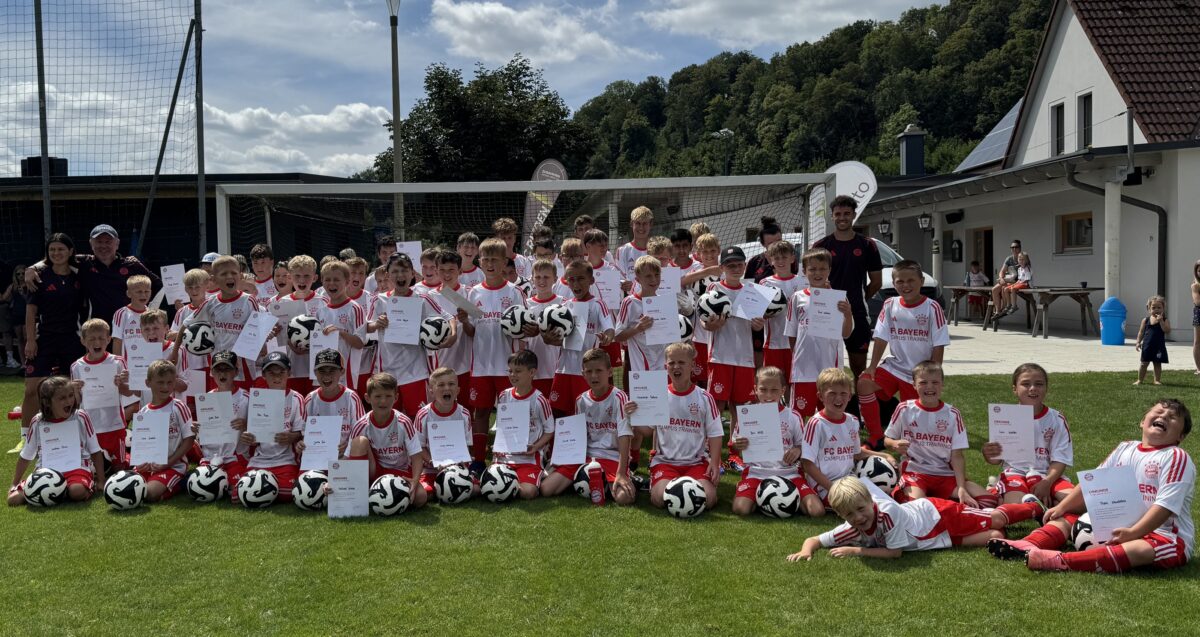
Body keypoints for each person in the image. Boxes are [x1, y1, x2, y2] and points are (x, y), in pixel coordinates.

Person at [988, 399, 1194, 574]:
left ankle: (1062, 560)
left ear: (1180, 437)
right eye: (1159, 411)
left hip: (1164, 535)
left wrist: (1134, 532)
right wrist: (1063, 507)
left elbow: (1164, 506)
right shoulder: (1125, 448)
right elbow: (1094, 482)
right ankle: (1030, 543)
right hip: (1121, 522)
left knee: (1138, 550)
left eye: (1173, 417)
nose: (1164, 416)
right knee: (1069, 517)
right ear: (1142, 421)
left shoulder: (1175, 456)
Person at [785, 476, 1021, 561]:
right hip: (937, 539)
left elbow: (895, 553)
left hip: (938, 515)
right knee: (995, 536)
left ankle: (1034, 508)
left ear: (871, 501)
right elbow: (814, 538)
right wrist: (806, 551)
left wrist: (857, 552)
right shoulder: (850, 528)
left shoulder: (887, 513)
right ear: (840, 515)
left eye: (860, 509)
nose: (857, 517)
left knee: (997, 520)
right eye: (849, 514)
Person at [857, 259, 949, 448]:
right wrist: (873, 366)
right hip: (895, 366)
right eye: (900, 281)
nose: (905, 286)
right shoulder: (890, 304)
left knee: (917, 422)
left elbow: (939, 345)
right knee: (864, 382)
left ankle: (912, 440)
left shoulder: (932, 308)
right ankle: (877, 437)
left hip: (919, 372)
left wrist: (934, 374)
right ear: (894, 282)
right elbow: (881, 337)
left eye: (911, 281)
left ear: (921, 281)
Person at [884, 361, 995, 507]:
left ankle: (989, 489)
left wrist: (961, 488)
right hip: (915, 472)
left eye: (935, 382)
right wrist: (894, 444)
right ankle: (926, 499)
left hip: (945, 474)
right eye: (923, 382)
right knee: (917, 506)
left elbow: (957, 456)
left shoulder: (952, 414)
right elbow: (887, 440)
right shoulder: (904, 409)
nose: (929, 387)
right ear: (914, 385)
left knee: (989, 501)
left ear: (942, 384)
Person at [629, 342, 723, 513]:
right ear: (666, 366)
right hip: (665, 463)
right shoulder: (659, 395)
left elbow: (716, 433)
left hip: (696, 462)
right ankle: (655, 482)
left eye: (681, 362)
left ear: (692, 365)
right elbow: (648, 431)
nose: (676, 366)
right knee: (659, 499)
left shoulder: (704, 398)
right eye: (671, 363)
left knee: (709, 499)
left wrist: (715, 464)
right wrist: (633, 416)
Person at [460, 237, 527, 475]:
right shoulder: (472, 293)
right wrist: (464, 321)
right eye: (485, 259)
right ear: (480, 261)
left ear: (504, 262)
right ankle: (479, 461)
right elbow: (471, 332)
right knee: (481, 412)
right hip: (480, 366)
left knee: (510, 412)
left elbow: (523, 328)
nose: (489, 263)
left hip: (507, 366)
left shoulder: (515, 292)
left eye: (494, 259)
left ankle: (508, 459)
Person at [17, 233, 87, 455]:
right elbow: (31, 311)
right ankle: (26, 438)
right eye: (52, 250)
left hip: (71, 339)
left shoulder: (79, 275)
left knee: (73, 389)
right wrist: (30, 341)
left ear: (70, 251)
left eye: (61, 249)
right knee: (31, 389)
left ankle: (72, 432)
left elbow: (91, 257)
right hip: (43, 339)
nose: (57, 253)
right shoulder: (39, 277)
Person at [540, 348, 636, 504]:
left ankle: (617, 479)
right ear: (583, 374)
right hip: (585, 457)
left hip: (611, 457)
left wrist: (621, 473)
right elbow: (579, 437)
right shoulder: (581, 400)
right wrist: (564, 457)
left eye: (599, 370)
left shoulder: (619, 397)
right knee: (546, 489)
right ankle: (587, 480)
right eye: (589, 371)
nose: (594, 376)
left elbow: (625, 436)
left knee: (625, 499)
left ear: (610, 372)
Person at [25, 224, 161, 328]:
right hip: (97, 331)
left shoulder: (132, 265)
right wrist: (32, 268)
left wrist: (147, 311)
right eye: (99, 241)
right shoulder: (84, 263)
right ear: (91, 243)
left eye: (108, 241)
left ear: (117, 243)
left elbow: (159, 286)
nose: (103, 246)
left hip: (130, 327)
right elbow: (58, 257)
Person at [730, 367, 824, 518]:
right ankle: (751, 492)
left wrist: (797, 450)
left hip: (790, 473)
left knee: (816, 511)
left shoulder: (793, 416)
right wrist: (739, 444)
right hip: (756, 472)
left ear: (782, 390)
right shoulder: (747, 415)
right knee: (741, 509)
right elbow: (735, 447)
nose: (768, 395)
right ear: (755, 389)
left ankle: (777, 498)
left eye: (774, 390)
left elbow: (803, 445)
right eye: (763, 389)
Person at [369, 253, 455, 417]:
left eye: (404, 271)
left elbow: (448, 317)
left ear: (412, 274)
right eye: (395, 271)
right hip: (387, 372)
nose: (400, 275)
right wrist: (376, 324)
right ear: (388, 275)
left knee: (419, 419)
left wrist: (452, 336)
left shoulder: (422, 298)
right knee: (390, 420)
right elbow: (365, 327)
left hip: (416, 371)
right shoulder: (379, 300)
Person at [981, 363, 1074, 506]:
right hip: (1015, 473)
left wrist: (1047, 482)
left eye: (1039, 384)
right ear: (1015, 389)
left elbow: (1060, 459)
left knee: (1077, 502)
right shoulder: (1005, 416)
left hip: (1048, 475)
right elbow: (996, 460)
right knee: (1015, 505)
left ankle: (1031, 501)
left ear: (1046, 388)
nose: (1032, 388)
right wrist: (989, 454)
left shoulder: (1056, 419)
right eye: (1025, 384)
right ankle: (1032, 503)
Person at [811, 196, 882, 380]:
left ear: (854, 215)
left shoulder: (867, 245)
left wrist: (857, 300)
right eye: (838, 214)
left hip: (857, 311)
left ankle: (859, 405)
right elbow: (811, 279)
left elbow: (876, 282)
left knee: (858, 365)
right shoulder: (821, 246)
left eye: (847, 214)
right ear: (832, 216)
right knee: (824, 364)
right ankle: (825, 405)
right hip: (825, 312)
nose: (842, 217)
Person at [800, 368, 894, 505]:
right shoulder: (816, 424)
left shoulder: (853, 421)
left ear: (850, 396)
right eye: (832, 393)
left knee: (885, 500)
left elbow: (857, 453)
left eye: (843, 393)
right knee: (864, 505)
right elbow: (807, 464)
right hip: (825, 486)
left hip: (849, 480)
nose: (838, 398)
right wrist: (833, 488)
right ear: (820, 396)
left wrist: (885, 456)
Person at [8, 376, 105, 506]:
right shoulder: (38, 421)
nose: (69, 401)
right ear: (48, 402)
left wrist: (102, 481)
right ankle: (57, 492)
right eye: (62, 398)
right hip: (45, 471)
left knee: (77, 492)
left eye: (71, 395)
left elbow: (95, 450)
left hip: (76, 469)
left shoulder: (80, 417)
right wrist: (14, 484)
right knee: (13, 500)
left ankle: (68, 489)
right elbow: (26, 455)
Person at [701, 246, 760, 462]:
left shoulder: (751, 291)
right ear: (722, 268)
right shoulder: (714, 288)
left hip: (744, 357)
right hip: (720, 356)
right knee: (717, 405)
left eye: (739, 264)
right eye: (730, 265)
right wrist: (712, 325)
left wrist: (758, 323)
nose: (735, 268)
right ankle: (710, 448)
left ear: (745, 266)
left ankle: (735, 451)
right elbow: (704, 323)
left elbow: (755, 326)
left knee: (742, 407)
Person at [345, 373, 428, 509]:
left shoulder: (404, 422)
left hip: (400, 471)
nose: (383, 401)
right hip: (375, 471)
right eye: (377, 396)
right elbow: (347, 457)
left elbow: (416, 456)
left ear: (396, 398)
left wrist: (415, 480)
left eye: (388, 396)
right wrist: (336, 482)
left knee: (420, 497)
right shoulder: (361, 424)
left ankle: (378, 497)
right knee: (359, 442)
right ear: (367, 398)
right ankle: (359, 492)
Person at [786, 248, 852, 419]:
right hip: (803, 369)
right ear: (804, 271)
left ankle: (829, 445)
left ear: (829, 270)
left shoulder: (838, 298)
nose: (817, 273)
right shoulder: (797, 297)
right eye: (812, 269)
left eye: (822, 269)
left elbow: (845, 333)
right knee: (799, 416)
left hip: (829, 367)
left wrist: (848, 314)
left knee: (831, 415)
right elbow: (792, 334)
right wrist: (799, 357)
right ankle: (799, 446)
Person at [546, 261, 614, 415]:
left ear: (591, 280)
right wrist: (548, 338)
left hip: (586, 371)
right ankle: (559, 440)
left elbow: (609, 328)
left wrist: (607, 337)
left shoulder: (598, 304)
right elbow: (557, 338)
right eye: (571, 279)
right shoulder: (563, 306)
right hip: (563, 369)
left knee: (584, 414)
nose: (576, 283)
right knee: (558, 413)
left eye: (581, 278)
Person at [493, 350, 555, 500]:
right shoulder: (503, 396)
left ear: (532, 372)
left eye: (518, 371)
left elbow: (550, 430)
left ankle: (540, 474)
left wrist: (536, 446)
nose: (513, 375)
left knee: (528, 493)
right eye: (510, 371)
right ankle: (508, 482)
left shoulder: (539, 400)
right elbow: (502, 427)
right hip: (504, 459)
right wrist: (497, 446)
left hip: (529, 460)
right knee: (491, 489)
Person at [246, 352, 305, 503]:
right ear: (264, 375)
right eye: (271, 373)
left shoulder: (296, 398)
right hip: (260, 459)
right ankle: (267, 486)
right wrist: (250, 438)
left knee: (287, 495)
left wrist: (291, 437)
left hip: (286, 459)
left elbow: (301, 433)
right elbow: (254, 439)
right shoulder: (257, 399)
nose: (277, 377)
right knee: (239, 495)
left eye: (281, 372)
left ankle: (269, 487)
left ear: (289, 373)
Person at [133, 359, 195, 503]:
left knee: (149, 493)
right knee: (129, 488)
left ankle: (182, 482)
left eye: (169, 382)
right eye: (160, 382)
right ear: (148, 383)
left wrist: (168, 463)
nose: (165, 387)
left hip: (174, 465)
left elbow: (190, 439)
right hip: (149, 467)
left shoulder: (178, 407)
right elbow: (140, 446)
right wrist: (141, 464)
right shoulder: (143, 412)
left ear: (174, 382)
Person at [413, 367, 479, 498]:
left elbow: (467, 445)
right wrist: (433, 462)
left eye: (451, 384)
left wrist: (463, 459)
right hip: (430, 469)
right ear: (431, 391)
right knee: (428, 494)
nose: (446, 388)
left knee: (476, 490)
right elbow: (419, 448)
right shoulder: (423, 415)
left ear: (458, 390)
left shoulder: (464, 414)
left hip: (457, 467)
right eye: (441, 385)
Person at [196, 351, 251, 500]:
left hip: (235, 457)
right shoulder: (206, 398)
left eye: (227, 369)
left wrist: (246, 425)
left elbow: (258, 430)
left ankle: (228, 482)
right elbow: (203, 433)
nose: (222, 373)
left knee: (238, 494)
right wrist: (196, 428)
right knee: (198, 490)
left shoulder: (246, 398)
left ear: (236, 372)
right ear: (212, 372)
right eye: (218, 369)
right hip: (210, 457)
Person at [313, 260, 366, 389]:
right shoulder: (320, 311)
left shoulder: (355, 308)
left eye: (336, 279)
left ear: (347, 282)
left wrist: (340, 332)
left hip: (346, 375)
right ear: (322, 282)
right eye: (328, 280)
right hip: (324, 376)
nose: (332, 283)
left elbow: (359, 343)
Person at [760, 240, 806, 385]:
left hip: (797, 344)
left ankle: (790, 408)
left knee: (793, 384)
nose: (781, 261)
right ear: (771, 260)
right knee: (772, 384)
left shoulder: (803, 282)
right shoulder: (764, 283)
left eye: (784, 257)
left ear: (792, 258)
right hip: (773, 344)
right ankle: (773, 408)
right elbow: (758, 314)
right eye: (777, 258)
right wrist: (768, 312)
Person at [303, 349, 365, 457]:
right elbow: (303, 432)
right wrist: (301, 444)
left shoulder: (351, 397)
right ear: (315, 372)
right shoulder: (310, 399)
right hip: (317, 457)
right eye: (322, 371)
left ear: (342, 372)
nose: (327, 376)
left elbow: (361, 432)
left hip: (345, 456)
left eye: (332, 370)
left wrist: (348, 446)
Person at [616, 256, 667, 372]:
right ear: (638, 279)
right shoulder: (629, 302)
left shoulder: (664, 302)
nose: (653, 279)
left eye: (657, 274)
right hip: (641, 369)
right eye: (648, 276)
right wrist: (637, 328)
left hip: (664, 367)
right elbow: (617, 336)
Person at [524, 259, 563, 398]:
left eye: (546, 277)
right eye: (538, 277)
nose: (542, 281)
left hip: (558, 369)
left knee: (558, 414)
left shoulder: (563, 303)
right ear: (532, 279)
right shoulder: (526, 305)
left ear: (555, 279)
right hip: (534, 371)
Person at [1134, 295, 1171, 385]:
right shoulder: (1145, 320)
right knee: (1144, 363)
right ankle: (1140, 380)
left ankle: (1157, 380)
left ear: (1163, 308)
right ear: (1149, 309)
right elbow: (1141, 332)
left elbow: (1167, 330)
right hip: (1147, 345)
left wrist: (1161, 321)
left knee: (1157, 364)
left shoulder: (1165, 320)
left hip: (1159, 346)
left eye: (1159, 307)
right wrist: (1138, 342)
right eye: (1153, 307)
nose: (1156, 310)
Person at [111, 275, 151, 355]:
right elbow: (117, 341)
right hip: (128, 365)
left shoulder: (152, 314)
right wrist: (119, 365)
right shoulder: (121, 313)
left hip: (148, 363)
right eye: (139, 292)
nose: (143, 295)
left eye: (146, 291)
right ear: (129, 294)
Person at [616, 205, 653, 292]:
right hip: (632, 300)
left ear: (651, 224)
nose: (641, 228)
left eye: (645, 223)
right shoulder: (622, 250)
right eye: (638, 223)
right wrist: (625, 284)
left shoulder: (657, 249)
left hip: (654, 299)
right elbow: (620, 278)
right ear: (631, 224)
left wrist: (635, 286)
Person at [746, 215, 783, 283]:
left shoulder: (789, 258)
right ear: (763, 244)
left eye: (778, 241)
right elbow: (747, 286)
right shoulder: (754, 261)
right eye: (771, 243)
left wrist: (773, 265)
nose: (776, 246)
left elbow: (787, 282)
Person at [990, 239, 1022, 316]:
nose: (1014, 249)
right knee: (994, 289)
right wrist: (1001, 278)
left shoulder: (1023, 257)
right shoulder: (1009, 258)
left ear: (1020, 248)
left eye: (1016, 247)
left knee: (1004, 288)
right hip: (1009, 280)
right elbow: (1002, 271)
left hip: (1018, 282)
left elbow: (1027, 271)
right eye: (1012, 247)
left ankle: (1005, 307)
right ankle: (998, 311)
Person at [997, 252, 1032, 317]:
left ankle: (1014, 306)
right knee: (1006, 289)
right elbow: (1020, 279)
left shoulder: (1027, 268)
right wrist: (1016, 283)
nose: (1021, 261)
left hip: (1026, 284)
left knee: (1013, 288)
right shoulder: (1019, 269)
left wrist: (1017, 284)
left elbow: (1027, 279)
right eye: (1020, 259)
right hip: (1021, 283)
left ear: (1026, 260)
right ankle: (1008, 305)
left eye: (1023, 259)